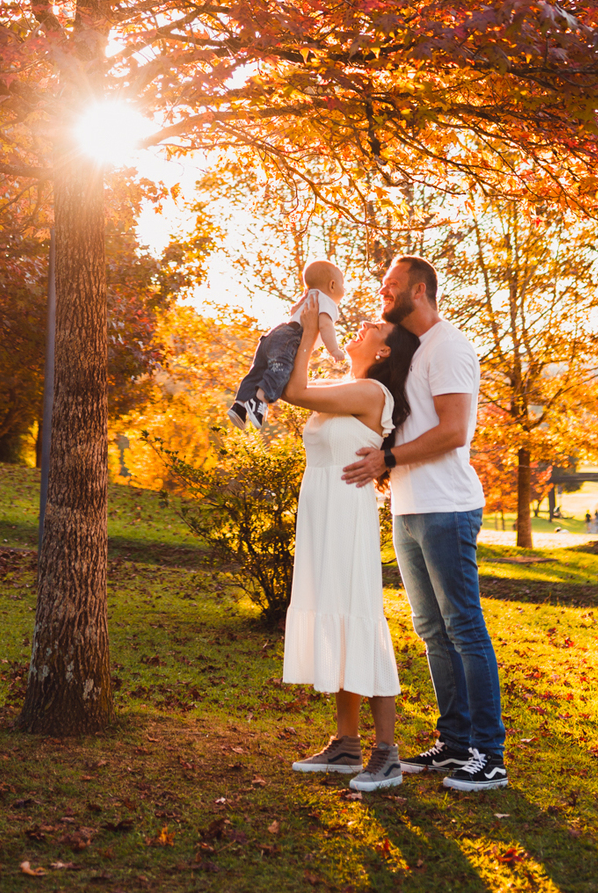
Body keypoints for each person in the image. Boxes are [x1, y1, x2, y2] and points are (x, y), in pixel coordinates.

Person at [343, 255, 507, 793]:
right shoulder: (410, 352)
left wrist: (387, 462)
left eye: (391, 286)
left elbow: (455, 431)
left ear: (420, 289)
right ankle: (455, 743)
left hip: (447, 507)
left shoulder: (449, 347)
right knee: (433, 631)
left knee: (464, 628)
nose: (382, 292)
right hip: (409, 509)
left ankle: (490, 754)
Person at [280, 296, 420, 793]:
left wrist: (315, 331)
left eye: (374, 328)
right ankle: (346, 744)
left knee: (359, 617)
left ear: (384, 354)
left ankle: (387, 753)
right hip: (321, 511)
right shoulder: (349, 388)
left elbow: (294, 389)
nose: (362, 325)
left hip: (346, 516)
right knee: (338, 616)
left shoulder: (371, 391)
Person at [227, 258, 347, 431]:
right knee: (280, 370)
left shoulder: (309, 296)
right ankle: (260, 400)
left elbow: (293, 311)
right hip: (291, 338)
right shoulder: (327, 300)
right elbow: (325, 325)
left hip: (276, 333)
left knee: (258, 370)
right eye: (343, 284)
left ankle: (239, 405)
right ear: (332, 285)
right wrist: (334, 349)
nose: (344, 289)